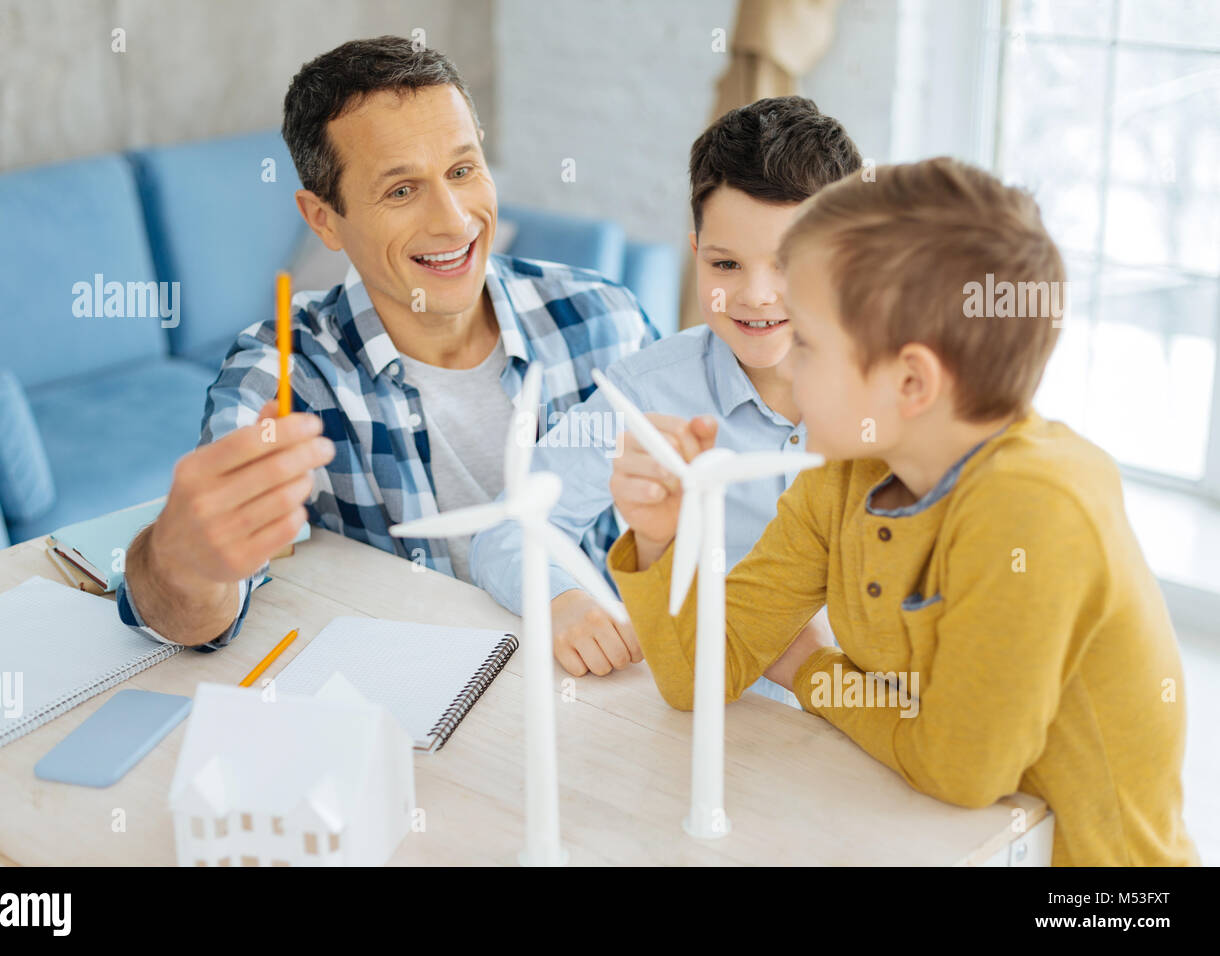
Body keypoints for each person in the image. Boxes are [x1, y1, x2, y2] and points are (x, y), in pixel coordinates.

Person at [606, 157, 1199, 866]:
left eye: (809, 344)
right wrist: (660, 535)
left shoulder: (1036, 507)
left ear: (911, 380)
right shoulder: (846, 472)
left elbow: (962, 769)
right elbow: (696, 679)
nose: (785, 367)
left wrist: (815, 672)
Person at [117, 36, 655, 649]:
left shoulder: (606, 320)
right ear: (323, 219)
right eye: (402, 191)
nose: (454, 221)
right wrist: (180, 564)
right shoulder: (283, 375)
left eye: (462, 170)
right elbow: (195, 617)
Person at [470, 97, 859, 701]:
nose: (755, 296)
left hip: (873, 718)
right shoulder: (648, 391)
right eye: (725, 264)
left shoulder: (901, 390)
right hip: (714, 712)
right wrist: (563, 599)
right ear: (695, 250)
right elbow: (507, 528)